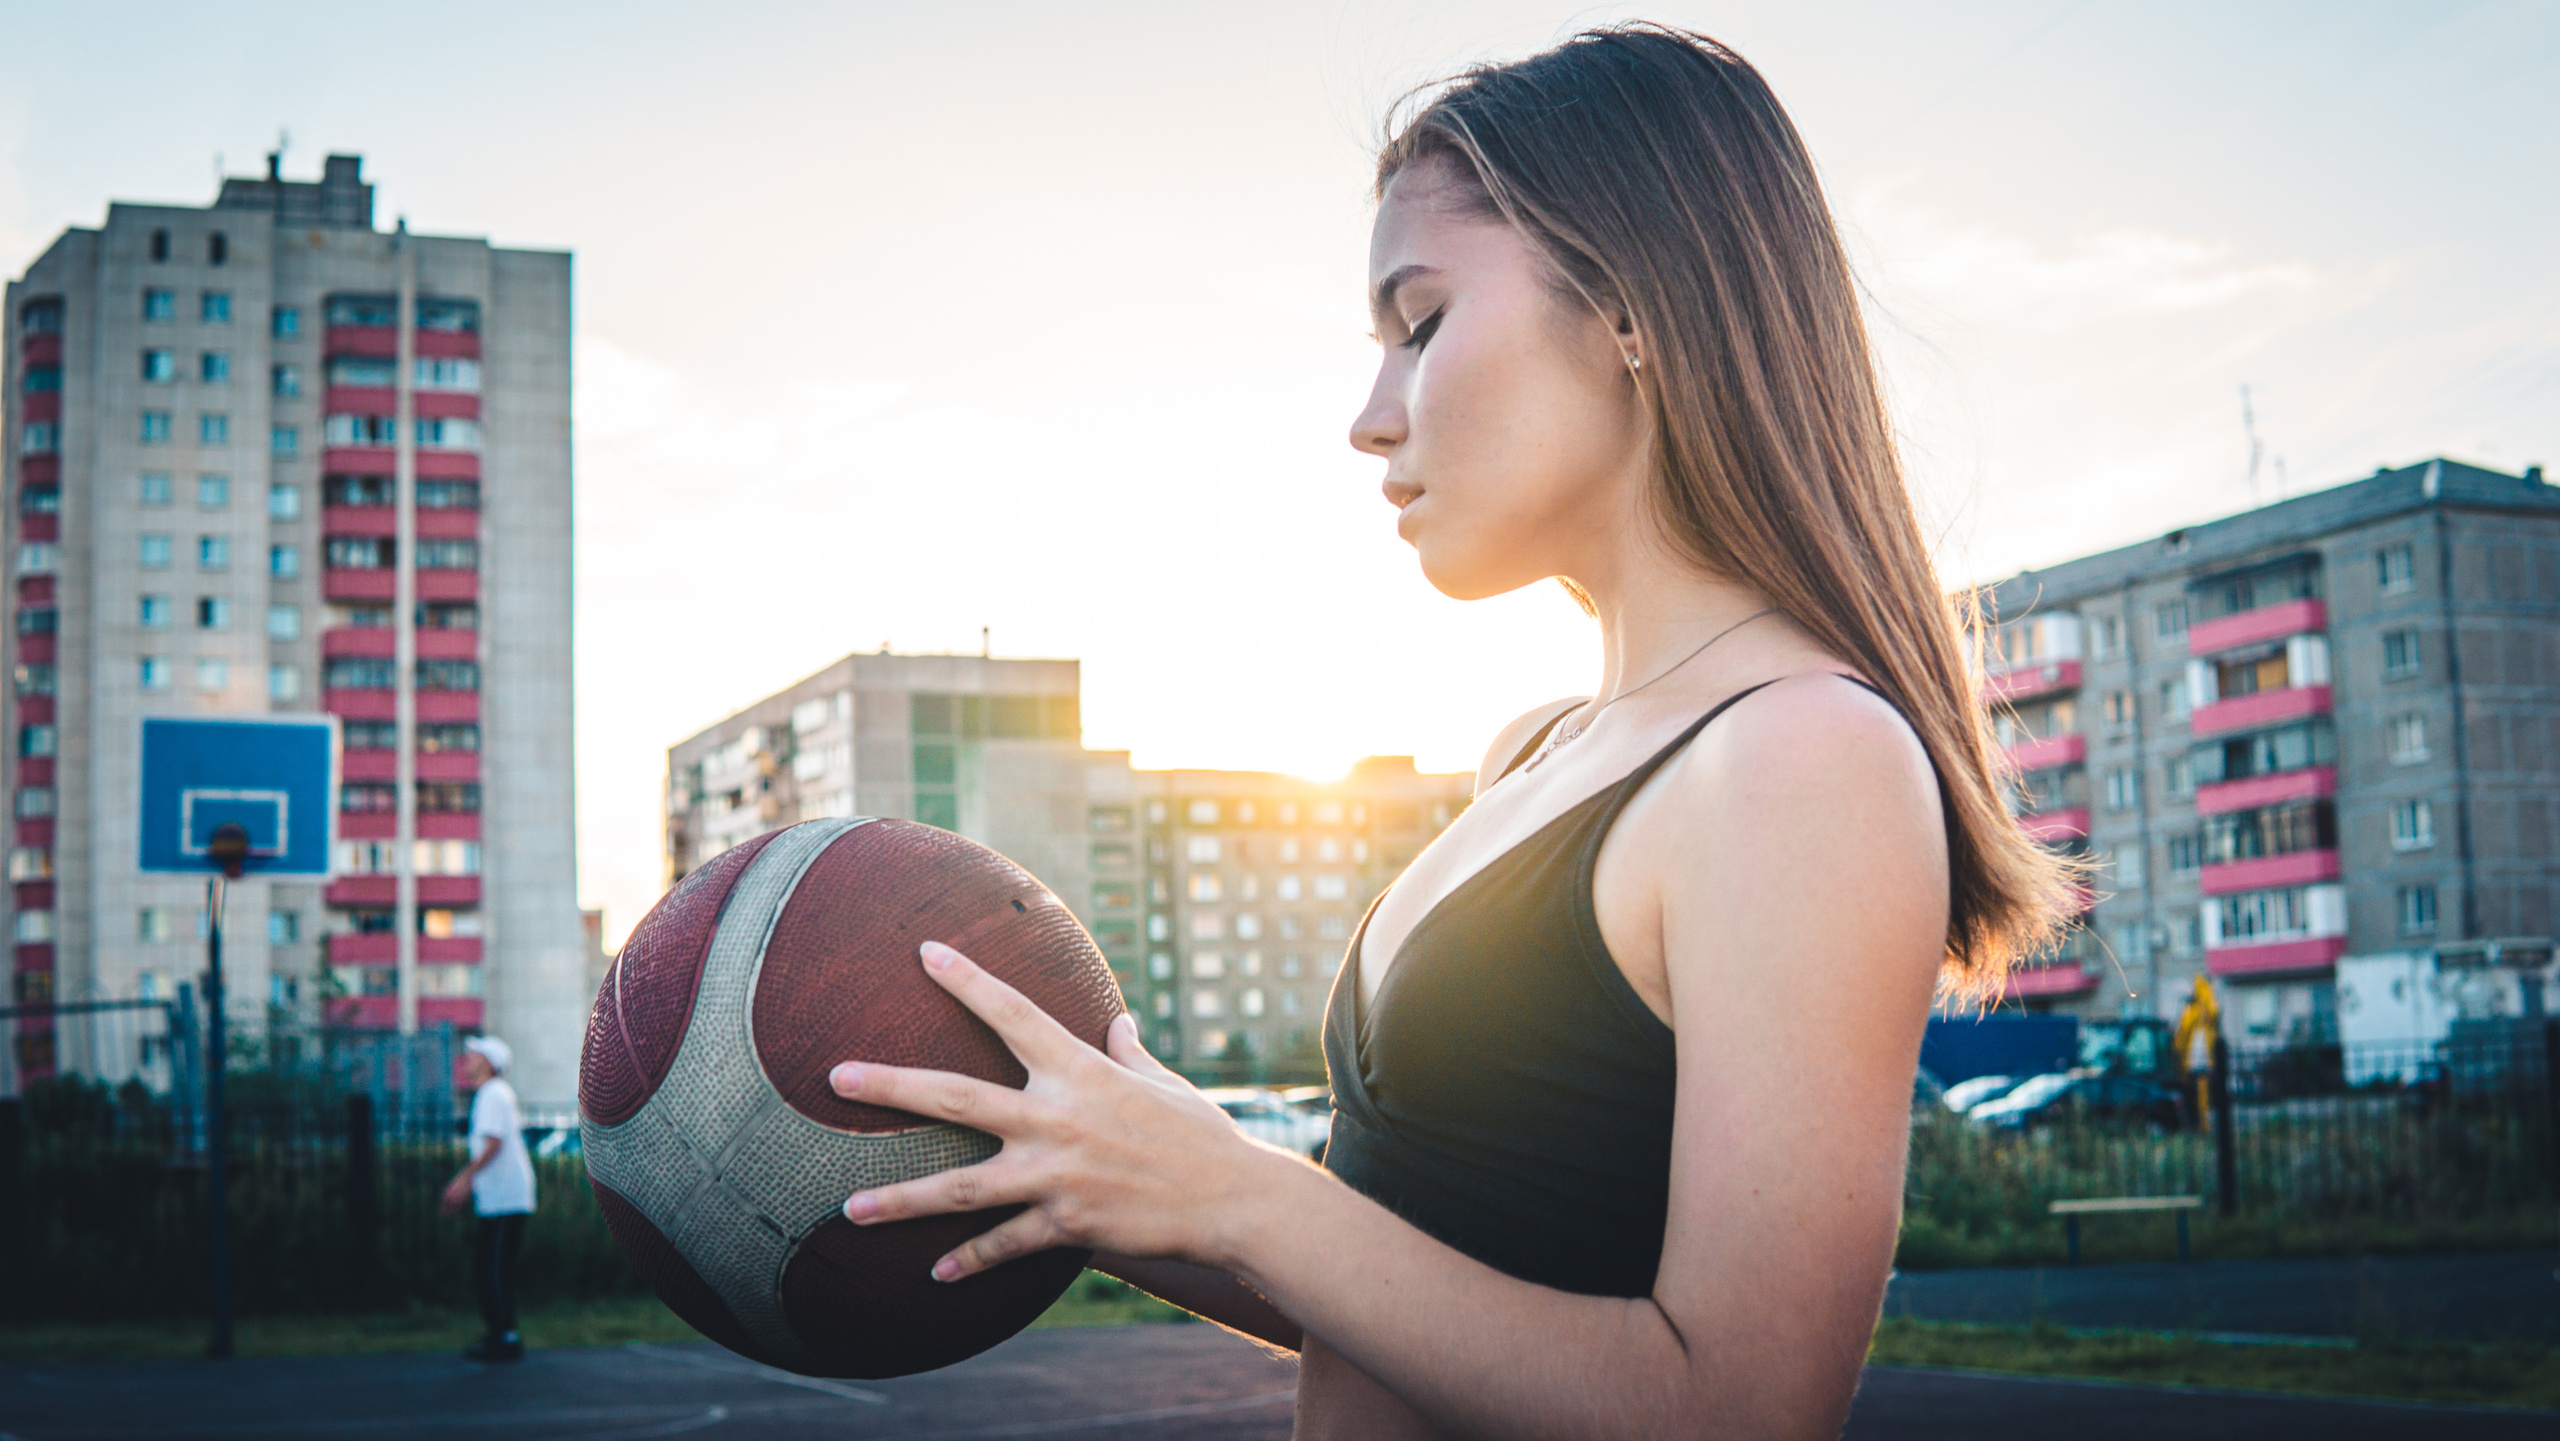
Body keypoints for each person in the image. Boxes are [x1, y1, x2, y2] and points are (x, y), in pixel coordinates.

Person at [821, 25, 2077, 1438]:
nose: (1370, 418)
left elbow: (1736, 1406)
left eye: (1419, 324)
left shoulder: (1799, 758)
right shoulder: (1538, 751)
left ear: (1630, 309)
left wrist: (1240, 1191)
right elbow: (1408, 1285)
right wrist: (1106, 1173)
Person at [442, 1034, 536, 1363]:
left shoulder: (493, 1094)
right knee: (489, 1267)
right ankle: (499, 1332)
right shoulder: (490, 1095)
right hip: (500, 1197)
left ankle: (505, 1337)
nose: (466, 1059)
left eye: (473, 1054)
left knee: (493, 1269)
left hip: (507, 1197)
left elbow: (493, 1144)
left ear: (487, 1062)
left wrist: (462, 1181)